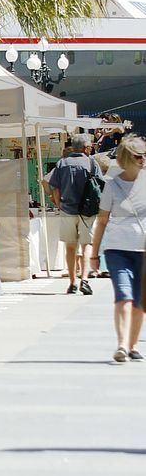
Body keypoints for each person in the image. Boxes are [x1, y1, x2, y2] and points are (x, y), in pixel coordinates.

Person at [89, 134, 146, 362]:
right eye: (138, 156)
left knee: (140, 302)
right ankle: (122, 344)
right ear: (126, 157)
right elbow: (102, 220)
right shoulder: (112, 186)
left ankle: (132, 346)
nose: (143, 159)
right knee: (124, 296)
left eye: (144, 155)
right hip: (117, 250)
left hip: (143, 250)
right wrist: (94, 254)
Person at [48, 133, 103, 295]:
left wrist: (59, 205)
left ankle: (72, 283)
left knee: (70, 247)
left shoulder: (62, 163)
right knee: (87, 245)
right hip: (87, 212)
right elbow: (100, 186)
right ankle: (84, 280)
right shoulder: (92, 163)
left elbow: (54, 188)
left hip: (67, 210)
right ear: (86, 148)